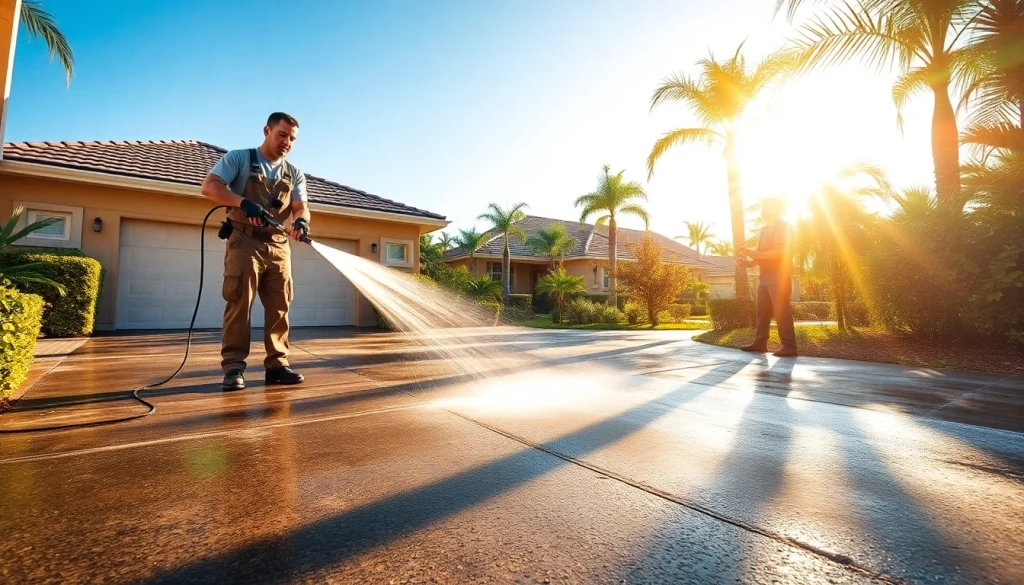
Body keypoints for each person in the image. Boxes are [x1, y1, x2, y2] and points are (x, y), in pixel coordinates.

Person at [200, 112, 312, 390]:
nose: (287, 142)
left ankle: (277, 364)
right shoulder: (239, 158)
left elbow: (300, 207)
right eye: (282, 134)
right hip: (245, 241)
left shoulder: (294, 173)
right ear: (267, 130)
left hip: (278, 245)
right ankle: (234, 367)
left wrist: (301, 221)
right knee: (239, 303)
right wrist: (242, 202)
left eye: (292, 138)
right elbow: (210, 187)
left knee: (280, 306)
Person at [738, 197, 798, 357]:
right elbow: (761, 257)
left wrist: (752, 253)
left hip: (779, 275)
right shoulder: (763, 230)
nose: (764, 211)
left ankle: (789, 346)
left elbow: (779, 253)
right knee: (762, 310)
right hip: (764, 276)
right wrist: (749, 262)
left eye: (768, 207)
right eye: (764, 208)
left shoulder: (784, 227)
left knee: (781, 311)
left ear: (777, 209)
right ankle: (760, 343)